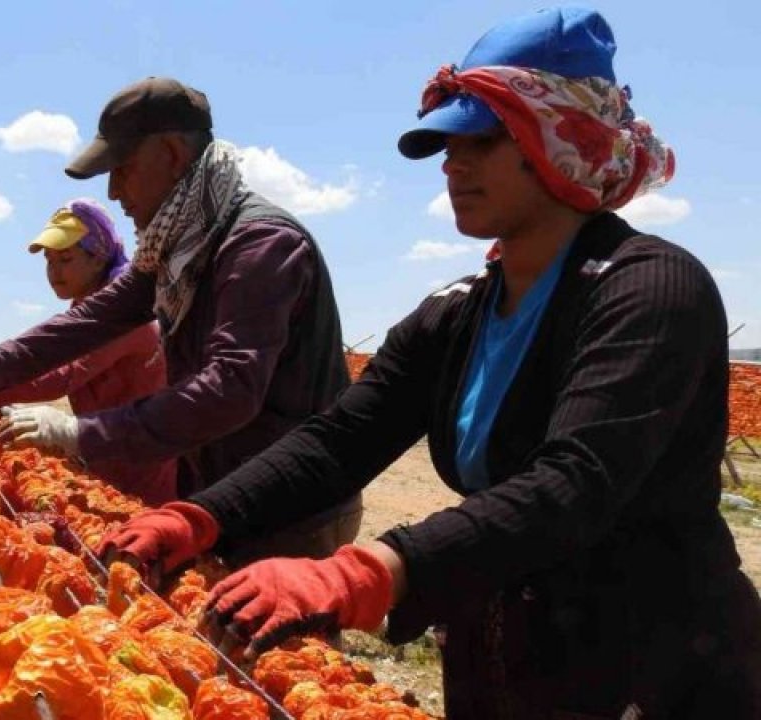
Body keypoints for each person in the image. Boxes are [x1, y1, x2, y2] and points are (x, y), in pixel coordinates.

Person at [98, 7, 761, 718]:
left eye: (482, 138)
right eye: (447, 143)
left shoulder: (651, 288)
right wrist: (199, 518)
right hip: (507, 661)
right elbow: (340, 440)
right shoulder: (459, 311)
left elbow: (576, 481)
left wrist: (372, 569)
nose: (453, 162)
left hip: (653, 671)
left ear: (558, 143)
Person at [0, 76, 362, 562]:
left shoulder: (260, 246)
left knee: (268, 631)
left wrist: (78, 434)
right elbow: (86, 323)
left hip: (290, 508)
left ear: (172, 153)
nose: (115, 191)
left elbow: (231, 389)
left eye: (122, 168)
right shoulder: (177, 250)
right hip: (225, 491)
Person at [0, 198, 176, 505]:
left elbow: (61, 373)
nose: (54, 271)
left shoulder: (122, 311)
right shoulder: (87, 305)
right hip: (108, 460)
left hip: (142, 470)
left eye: (65, 259)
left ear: (98, 258)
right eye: (49, 260)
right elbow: (40, 348)